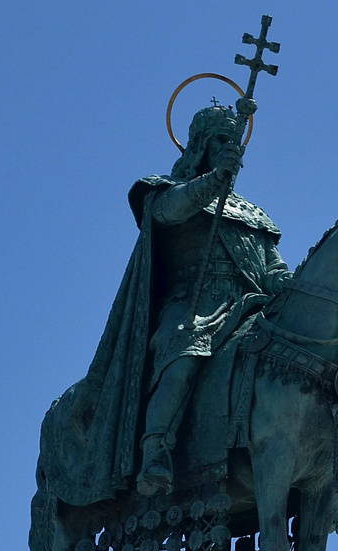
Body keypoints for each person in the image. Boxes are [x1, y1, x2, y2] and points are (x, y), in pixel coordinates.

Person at [40, 100, 294, 507]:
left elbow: (273, 269)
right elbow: (172, 212)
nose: (230, 148)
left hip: (248, 306)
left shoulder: (253, 214)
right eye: (221, 140)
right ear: (200, 145)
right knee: (183, 357)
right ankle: (155, 452)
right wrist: (215, 180)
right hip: (192, 305)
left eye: (234, 142)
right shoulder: (163, 191)